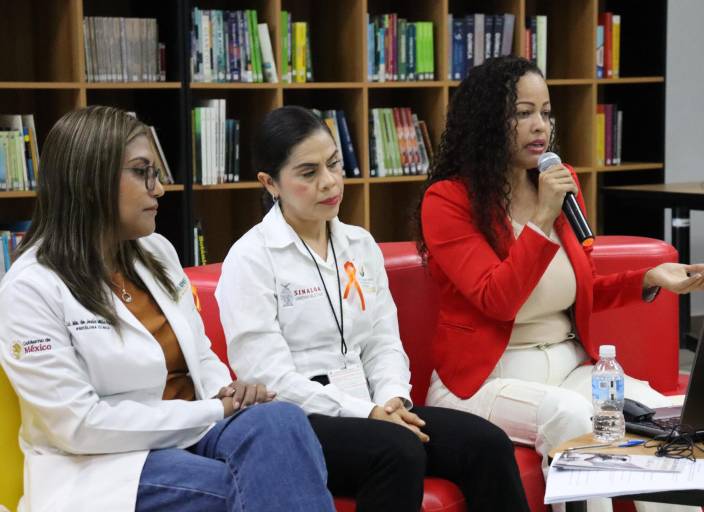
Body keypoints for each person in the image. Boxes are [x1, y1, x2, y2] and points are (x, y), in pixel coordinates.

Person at [414, 56, 704, 512]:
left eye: (545, 112)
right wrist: (541, 218)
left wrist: (648, 278)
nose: (540, 126)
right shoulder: (448, 201)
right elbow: (497, 299)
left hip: (569, 367)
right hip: (485, 379)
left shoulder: (558, 183)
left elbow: (577, 288)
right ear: (486, 122)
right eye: (523, 113)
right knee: (575, 417)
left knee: (661, 418)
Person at [0, 106, 334, 512]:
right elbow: (79, 425)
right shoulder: (30, 287)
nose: (158, 189)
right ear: (89, 182)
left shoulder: (156, 251)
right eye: (143, 172)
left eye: (155, 173)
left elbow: (201, 354)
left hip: (195, 430)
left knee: (282, 420)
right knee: (250, 484)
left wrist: (229, 392)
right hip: (105, 463)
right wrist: (214, 409)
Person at [215, 105, 531, 512]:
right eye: (308, 173)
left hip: (372, 407)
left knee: (486, 443)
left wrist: (393, 399)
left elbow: (384, 342)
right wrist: (367, 412)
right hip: (300, 422)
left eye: (334, 164)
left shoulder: (360, 244)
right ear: (270, 183)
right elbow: (271, 379)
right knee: (397, 450)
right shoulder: (251, 258)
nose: (329, 182)